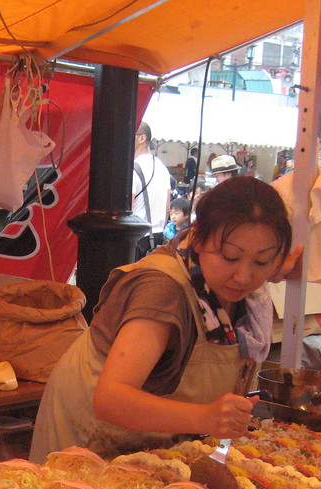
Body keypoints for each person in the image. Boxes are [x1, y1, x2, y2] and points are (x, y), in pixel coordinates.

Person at [30, 176, 302, 462]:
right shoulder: (162, 291)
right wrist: (205, 417)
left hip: (150, 446)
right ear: (196, 239)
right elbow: (110, 399)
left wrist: (277, 268)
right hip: (89, 441)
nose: (244, 276)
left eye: (261, 261)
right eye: (230, 256)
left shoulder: (238, 285)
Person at [132, 122, 173, 257]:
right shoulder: (162, 167)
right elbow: (168, 208)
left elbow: (126, 209)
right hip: (158, 238)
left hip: (136, 238)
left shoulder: (133, 168)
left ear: (142, 138)